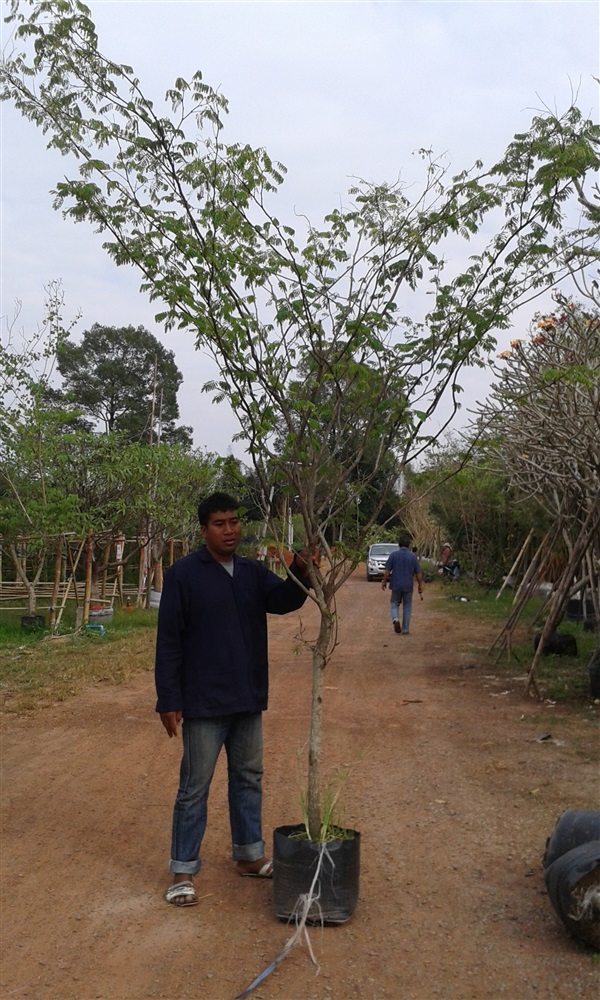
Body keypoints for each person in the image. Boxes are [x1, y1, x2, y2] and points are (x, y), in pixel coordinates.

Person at [155, 491, 313, 907]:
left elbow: (284, 601)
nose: (230, 530)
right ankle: (182, 870)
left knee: (248, 779)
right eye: (220, 523)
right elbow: (169, 641)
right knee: (194, 788)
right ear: (204, 529)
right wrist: (168, 698)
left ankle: (248, 856)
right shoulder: (184, 575)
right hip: (204, 702)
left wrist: (301, 567)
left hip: (247, 697)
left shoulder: (250, 572)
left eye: (234, 522)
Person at [380, 532, 423, 635]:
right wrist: (420, 586)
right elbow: (418, 573)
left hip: (396, 584)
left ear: (399, 544)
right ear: (409, 545)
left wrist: (384, 581)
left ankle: (395, 619)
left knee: (394, 603)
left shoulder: (394, 555)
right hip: (408, 585)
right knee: (407, 606)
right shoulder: (413, 557)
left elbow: (387, 570)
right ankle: (405, 629)